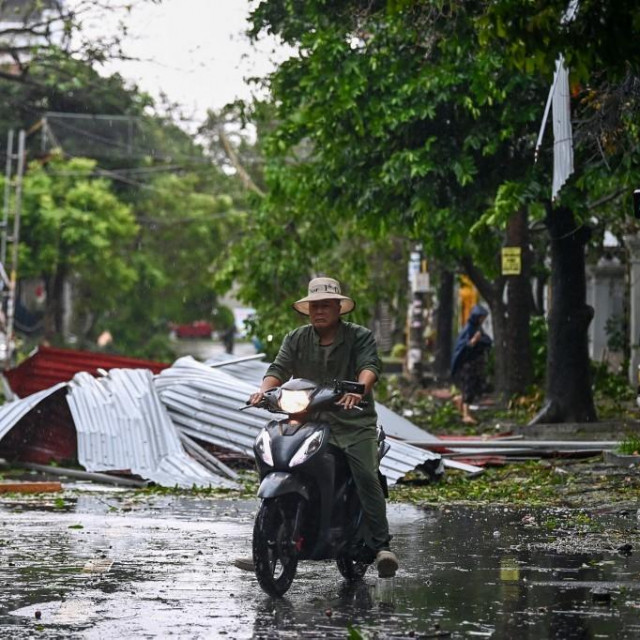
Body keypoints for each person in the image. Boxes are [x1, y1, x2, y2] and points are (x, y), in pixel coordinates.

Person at [235, 276, 399, 578]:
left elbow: (369, 367)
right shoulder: (296, 338)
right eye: (314, 306)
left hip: (352, 422)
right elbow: (277, 370)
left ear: (339, 308)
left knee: (364, 472)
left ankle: (381, 546)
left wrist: (359, 389)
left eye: (325, 305)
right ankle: (268, 542)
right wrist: (263, 390)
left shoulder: (359, 336)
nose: (319, 311)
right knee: (276, 459)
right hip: (307, 419)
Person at [451, 304, 493, 424]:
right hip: (467, 365)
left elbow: (487, 340)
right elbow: (463, 347)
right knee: (468, 388)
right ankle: (466, 414)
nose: (482, 320)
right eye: (481, 317)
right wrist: (473, 341)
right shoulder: (468, 329)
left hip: (476, 365)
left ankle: (460, 401)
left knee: (474, 388)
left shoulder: (478, 329)